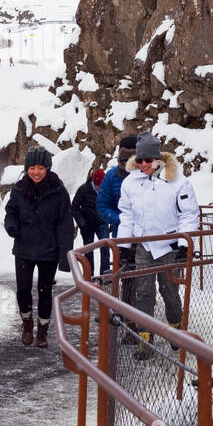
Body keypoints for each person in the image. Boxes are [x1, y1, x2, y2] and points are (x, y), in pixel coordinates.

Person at [117, 132, 199, 360]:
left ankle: (175, 334)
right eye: (140, 160)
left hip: (170, 247)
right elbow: (127, 215)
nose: (144, 165)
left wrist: (185, 244)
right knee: (143, 293)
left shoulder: (178, 182)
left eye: (148, 160)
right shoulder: (130, 183)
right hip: (144, 247)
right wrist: (124, 245)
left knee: (170, 292)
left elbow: (189, 215)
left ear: (158, 159)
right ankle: (145, 341)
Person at [3, 147, 73, 349]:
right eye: (32, 168)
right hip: (24, 248)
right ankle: (27, 324)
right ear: (27, 169)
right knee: (23, 290)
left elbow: (65, 224)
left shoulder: (58, 191)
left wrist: (64, 255)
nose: (36, 172)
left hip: (48, 251)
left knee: (44, 292)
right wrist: (11, 226)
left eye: (41, 168)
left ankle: (42, 330)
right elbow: (11, 212)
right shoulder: (19, 189)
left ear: (48, 168)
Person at [97, 135, 139, 330]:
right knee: (127, 280)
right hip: (122, 237)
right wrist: (120, 220)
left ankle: (142, 323)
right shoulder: (112, 177)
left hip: (148, 238)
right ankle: (128, 323)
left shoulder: (148, 175)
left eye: (133, 158)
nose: (128, 163)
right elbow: (102, 205)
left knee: (145, 283)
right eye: (124, 159)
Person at [71, 167, 109, 277]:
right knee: (88, 251)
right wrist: (82, 223)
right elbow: (74, 208)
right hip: (87, 224)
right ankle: (89, 276)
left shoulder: (106, 189)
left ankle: (105, 275)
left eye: (100, 185)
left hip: (102, 223)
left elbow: (112, 205)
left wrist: (109, 218)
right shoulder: (83, 189)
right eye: (97, 185)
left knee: (106, 248)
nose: (98, 187)